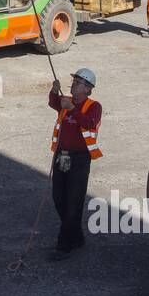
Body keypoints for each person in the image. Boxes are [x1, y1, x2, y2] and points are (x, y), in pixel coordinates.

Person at [47, 67, 102, 261]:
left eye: (78, 83)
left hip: (79, 159)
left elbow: (89, 123)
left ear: (87, 89)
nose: (73, 85)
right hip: (62, 156)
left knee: (73, 202)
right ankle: (76, 236)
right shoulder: (66, 102)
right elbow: (53, 103)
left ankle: (64, 245)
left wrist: (73, 110)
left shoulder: (93, 106)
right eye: (74, 82)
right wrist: (54, 91)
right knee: (59, 198)